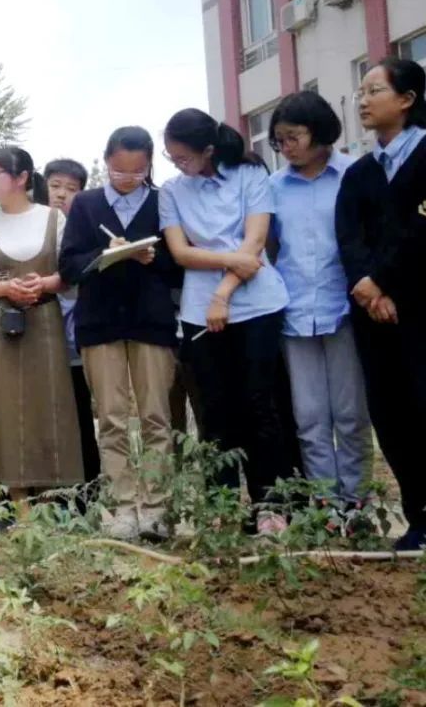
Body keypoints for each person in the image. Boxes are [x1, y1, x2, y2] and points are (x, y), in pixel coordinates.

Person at [160, 109, 290, 535]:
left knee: (259, 403)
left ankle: (269, 503)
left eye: (182, 157)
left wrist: (222, 292)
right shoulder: (172, 191)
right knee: (215, 410)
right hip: (199, 314)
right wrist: (231, 259)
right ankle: (222, 504)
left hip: (256, 306)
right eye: (171, 157)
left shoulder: (249, 175)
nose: (176, 164)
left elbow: (255, 243)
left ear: (208, 150)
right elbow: (181, 253)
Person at [60, 128, 182, 540]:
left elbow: (179, 265)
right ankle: (124, 507)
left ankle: (157, 508)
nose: (128, 178)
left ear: (150, 164)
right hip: (100, 324)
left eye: (138, 170)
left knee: (155, 417)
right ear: (106, 160)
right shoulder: (86, 204)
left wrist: (152, 256)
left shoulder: (163, 199)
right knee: (111, 419)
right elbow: (68, 267)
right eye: (118, 169)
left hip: (151, 322)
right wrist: (104, 256)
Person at [0, 147, 84, 502]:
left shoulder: (52, 219)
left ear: (23, 178)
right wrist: (5, 288)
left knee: (49, 407)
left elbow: (70, 276)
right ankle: (14, 502)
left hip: (44, 325)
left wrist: (43, 285)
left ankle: (51, 501)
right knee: (1, 410)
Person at [336, 57, 426, 551]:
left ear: (407, 99)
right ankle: (418, 517)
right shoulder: (360, 173)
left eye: (374, 91)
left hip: (419, 306)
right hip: (373, 314)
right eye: (362, 92)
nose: (363, 101)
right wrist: (367, 288)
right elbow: (347, 237)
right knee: (391, 415)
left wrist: (381, 281)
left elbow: (419, 230)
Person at [267, 91, 372, 510]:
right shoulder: (272, 188)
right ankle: (326, 505)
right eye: (279, 140)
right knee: (309, 417)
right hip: (293, 311)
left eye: (293, 137)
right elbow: (270, 249)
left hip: (347, 308)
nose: (286, 147)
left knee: (350, 414)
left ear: (320, 132)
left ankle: (358, 501)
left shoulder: (355, 175)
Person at [43, 158, 100, 485]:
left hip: (77, 341)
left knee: (79, 415)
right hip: (42, 340)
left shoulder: (88, 227)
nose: (62, 195)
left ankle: (87, 489)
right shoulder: (33, 226)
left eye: (71, 189)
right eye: (55, 187)